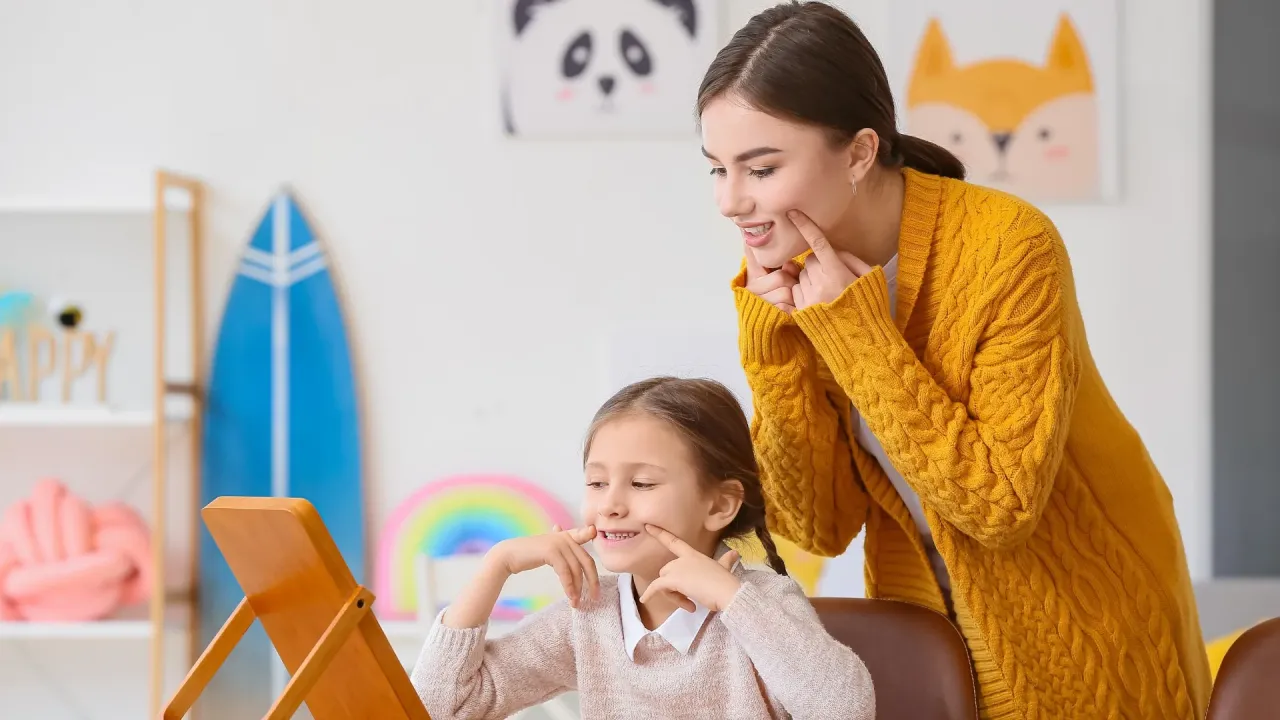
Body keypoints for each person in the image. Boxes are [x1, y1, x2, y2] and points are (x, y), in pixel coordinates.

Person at [697, 2, 1212, 719]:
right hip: (925, 643)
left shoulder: (1010, 247)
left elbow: (999, 506)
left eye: (760, 167)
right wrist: (772, 344)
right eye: (716, 168)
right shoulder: (800, 275)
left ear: (858, 152)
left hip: (1080, 633)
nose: (729, 200)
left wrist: (856, 333)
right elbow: (817, 525)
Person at [410, 377, 875, 720]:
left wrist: (734, 601)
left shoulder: (763, 604)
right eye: (596, 482)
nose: (610, 504)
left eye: (641, 483)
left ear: (719, 504)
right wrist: (497, 565)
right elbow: (439, 707)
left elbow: (845, 709)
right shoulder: (588, 615)